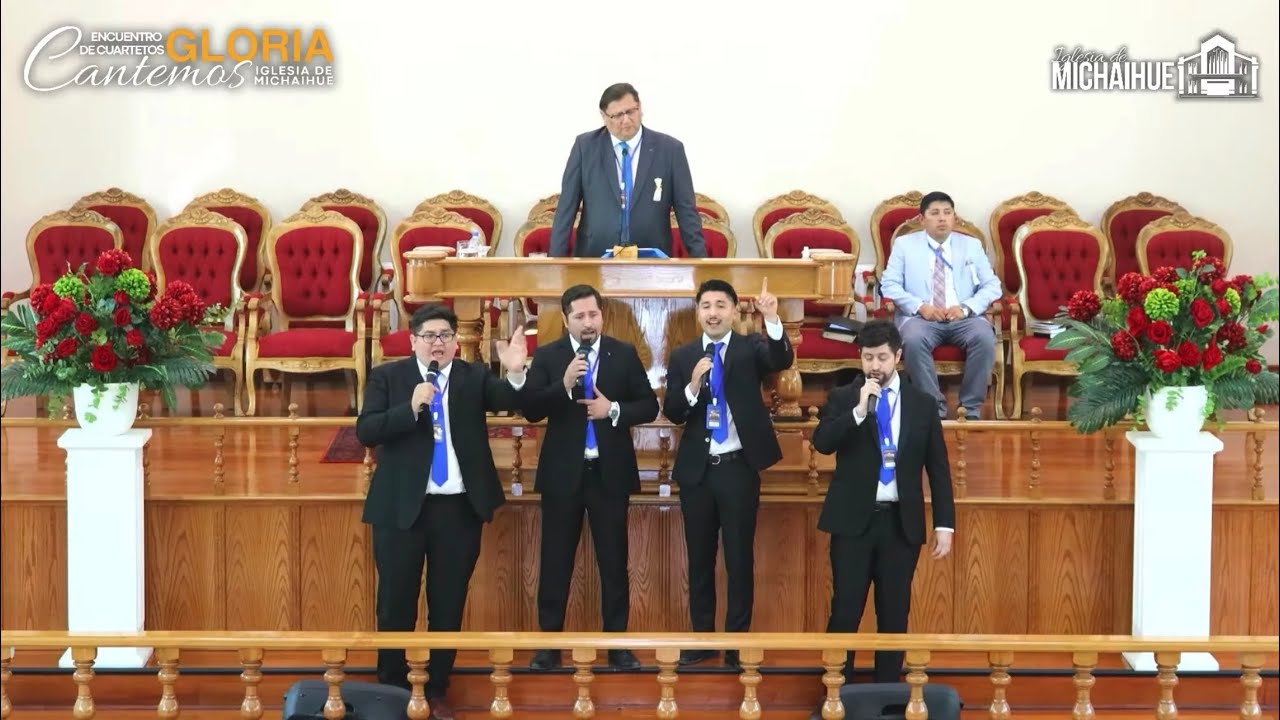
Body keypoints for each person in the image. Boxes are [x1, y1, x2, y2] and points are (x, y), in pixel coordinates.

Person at [357, 303, 529, 720]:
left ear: (456, 342)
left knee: (448, 605)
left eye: (446, 336)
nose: (438, 343)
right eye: (430, 336)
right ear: (413, 340)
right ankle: (393, 690)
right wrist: (410, 407)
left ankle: (436, 688)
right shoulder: (389, 377)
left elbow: (507, 400)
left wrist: (516, 371)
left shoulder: (473, 377)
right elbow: (366, 430)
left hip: (457, 508)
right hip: (401, 508)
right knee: (395, 604)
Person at [521, 284, 660, 671]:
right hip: (563, 475)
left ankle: (617, 645)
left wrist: (612, 409)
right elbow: (531, 409)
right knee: (555, 561)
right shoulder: (549, 356)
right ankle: (549, 645)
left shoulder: (623, 353)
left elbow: (648, 405)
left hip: (608, 473)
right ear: (565, 319)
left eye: (593, 314)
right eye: (579, 316)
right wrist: (562, 386)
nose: (587, 322)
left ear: (603, 315)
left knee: (614, 562)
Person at [811, 319, 955, 685]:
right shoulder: (845, 397)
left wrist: (944, 525)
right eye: (868, 357)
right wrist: (859, 412)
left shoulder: (922, 404)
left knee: (893, 615)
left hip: (900, 525)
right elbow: (823, 442)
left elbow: (938, 470)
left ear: (898, 357)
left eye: (882, 357)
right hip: (853, 524)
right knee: (845, 610)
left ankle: (887, 693)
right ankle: (834, 691)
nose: (875, 365)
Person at [662, 278, 793, 667]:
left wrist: (772, 319)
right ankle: (702, 639)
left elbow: (780, 360)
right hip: (698, 473)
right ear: (698, 312)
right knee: (699, 560)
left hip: (738, 467)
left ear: (735, 311)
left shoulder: (750, 348)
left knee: (739, 559)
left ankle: (736, 644)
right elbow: (673, 410)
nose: (714, 312)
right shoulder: (685, 355)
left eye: (721, 305)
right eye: (706, 306)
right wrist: (692, 387)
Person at [879, 191, 1002, 419]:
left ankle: (970, 409)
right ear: (922, 219)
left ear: (954, 217)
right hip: (920, 318)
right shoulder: (905, 245)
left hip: (964, 318)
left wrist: (965, 308)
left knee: (985, 338)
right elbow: (889, 285)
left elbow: (993, 286)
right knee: (913, 340)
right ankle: (933, 410)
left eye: (947, 213)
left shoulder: (971, 246)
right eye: (935, 213)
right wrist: (920, 307)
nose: (942, 218)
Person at [550, 82, 707, 259]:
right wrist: (553, 264)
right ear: (603, 116)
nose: (626, 120)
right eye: (618, 115)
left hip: (653, 260)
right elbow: (566, 209)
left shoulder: (670, 150)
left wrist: (702, 262)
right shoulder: (585, 147)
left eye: (631, 112)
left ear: (640, 108)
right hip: (594, 256)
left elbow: (686, 211)